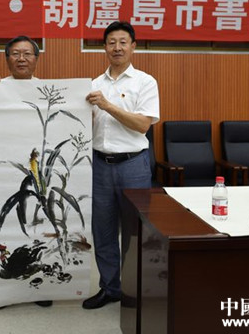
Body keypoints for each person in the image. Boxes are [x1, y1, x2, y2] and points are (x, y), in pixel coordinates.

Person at [83, 21, 159, 310]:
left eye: (123, 42)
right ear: (104, 47)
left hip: (133, 165)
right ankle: (110, 288)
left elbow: (142, 125)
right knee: (102, 232)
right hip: (100, 165)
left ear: (133, 46)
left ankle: (134, 289)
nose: (117, 47)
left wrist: (107, 106)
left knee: (134, 233)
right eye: (111, 42)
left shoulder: (145, 82)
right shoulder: (93, 85)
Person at [0, 35, 53, 308]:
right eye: (15, 53)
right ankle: (3, 289)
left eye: (27, 54)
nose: (21, 58)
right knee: (6, 225)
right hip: (4, 173)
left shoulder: (47, 91)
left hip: (35, 177)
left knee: (36, 223)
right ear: (7, 59)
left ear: (36, 59)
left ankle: (38, 287)